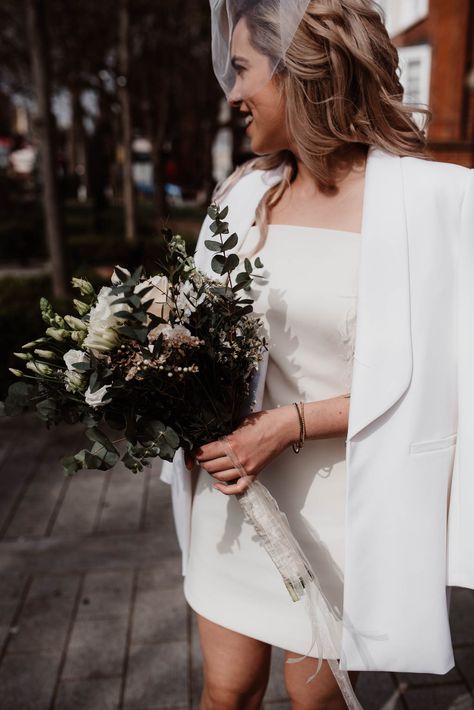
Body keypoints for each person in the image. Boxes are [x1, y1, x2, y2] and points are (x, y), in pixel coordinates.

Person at [160, 1, 474, 708]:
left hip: (345, 503)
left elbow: (442, 383)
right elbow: (189, 342)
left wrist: (286, 425)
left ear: (302, 74)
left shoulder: (433, 205)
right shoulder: (242, 198)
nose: (231, 92)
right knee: (223, 692)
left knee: (317, 703)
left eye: (242, 71)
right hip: (235, 493)